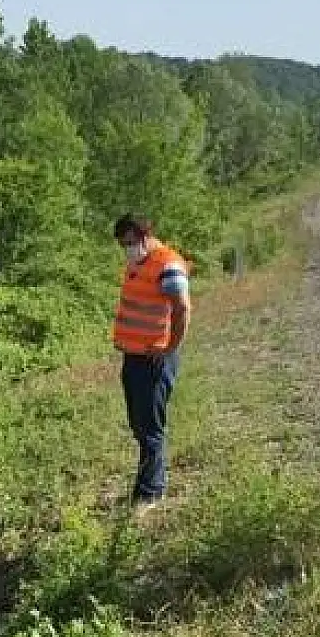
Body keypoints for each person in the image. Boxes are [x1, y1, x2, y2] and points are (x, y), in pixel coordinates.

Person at [112, 214, 191, 516]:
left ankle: (151, 492)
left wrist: (171, 347)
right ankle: (145, 485)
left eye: (130, 243)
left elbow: (182, 307)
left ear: (145, 236)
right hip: (134, 357)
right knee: (139, 424)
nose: (127, 249)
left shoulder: (167, 264)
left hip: (155, 359)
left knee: (150, 427)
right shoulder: (139, 263)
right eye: (123, 245)